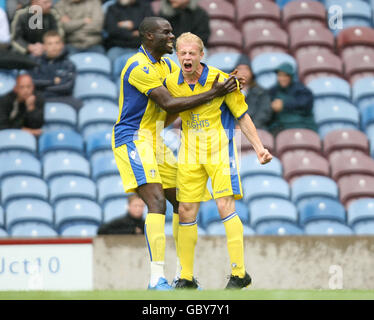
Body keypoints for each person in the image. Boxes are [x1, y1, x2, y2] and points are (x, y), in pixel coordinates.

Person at [112, 16, 238, 290]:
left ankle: (184, 277)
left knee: (182, 205)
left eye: (172, 33)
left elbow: (186, 93)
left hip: (156, 138)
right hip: (133, 138)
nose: (172, 37)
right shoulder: (137, 66)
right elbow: (169, 103)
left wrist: (225, 88)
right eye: (166, 34)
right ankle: (156, 278)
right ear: (148, 37)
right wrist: (214, 94)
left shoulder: (168, 64)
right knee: (156, 202)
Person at [163, 32, 272, 289]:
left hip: (220, 151)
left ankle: (239, 273)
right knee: (186, 211)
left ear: (202, 55)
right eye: (183, 53)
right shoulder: (170, 82)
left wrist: (259, 148)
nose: (187, 57)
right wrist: (151, 130)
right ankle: (186, 278)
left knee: (225, 206)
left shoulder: (222, 81)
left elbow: (242, 115)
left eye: (192, 53)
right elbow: (170, 112)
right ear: (177, 55)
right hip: (189, 153)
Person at [28, 30, 82, 110]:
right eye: (50, 44)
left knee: (79, 105)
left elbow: (67, 86)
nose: (54, 46)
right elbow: (32, 82)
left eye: (57, 43)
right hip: (40, 98)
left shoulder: (69, 64)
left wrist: (43, 88)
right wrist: (52, 81)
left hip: (63, 98)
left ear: (62, 45)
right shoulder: (36, 63)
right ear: (44, 46)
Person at [268, 62, 317, 136]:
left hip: (302, 124)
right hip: (281, 126)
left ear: (291, 77)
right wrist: (272, 107)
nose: (282, 78)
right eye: (280, 75)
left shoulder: (301, 89)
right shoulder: (273, 91)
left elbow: (305, 103)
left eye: (285, 76)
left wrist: (284, 104)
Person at [233, 54, 272, 130]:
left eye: (246, 69)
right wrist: (235, 126)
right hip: (233, 130)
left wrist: (248, 127)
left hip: (255, 129)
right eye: (240, 69)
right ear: (235, 72)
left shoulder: (261, 92)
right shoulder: (228, 92)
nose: (243, 72)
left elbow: (264, 113)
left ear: (251, 72)